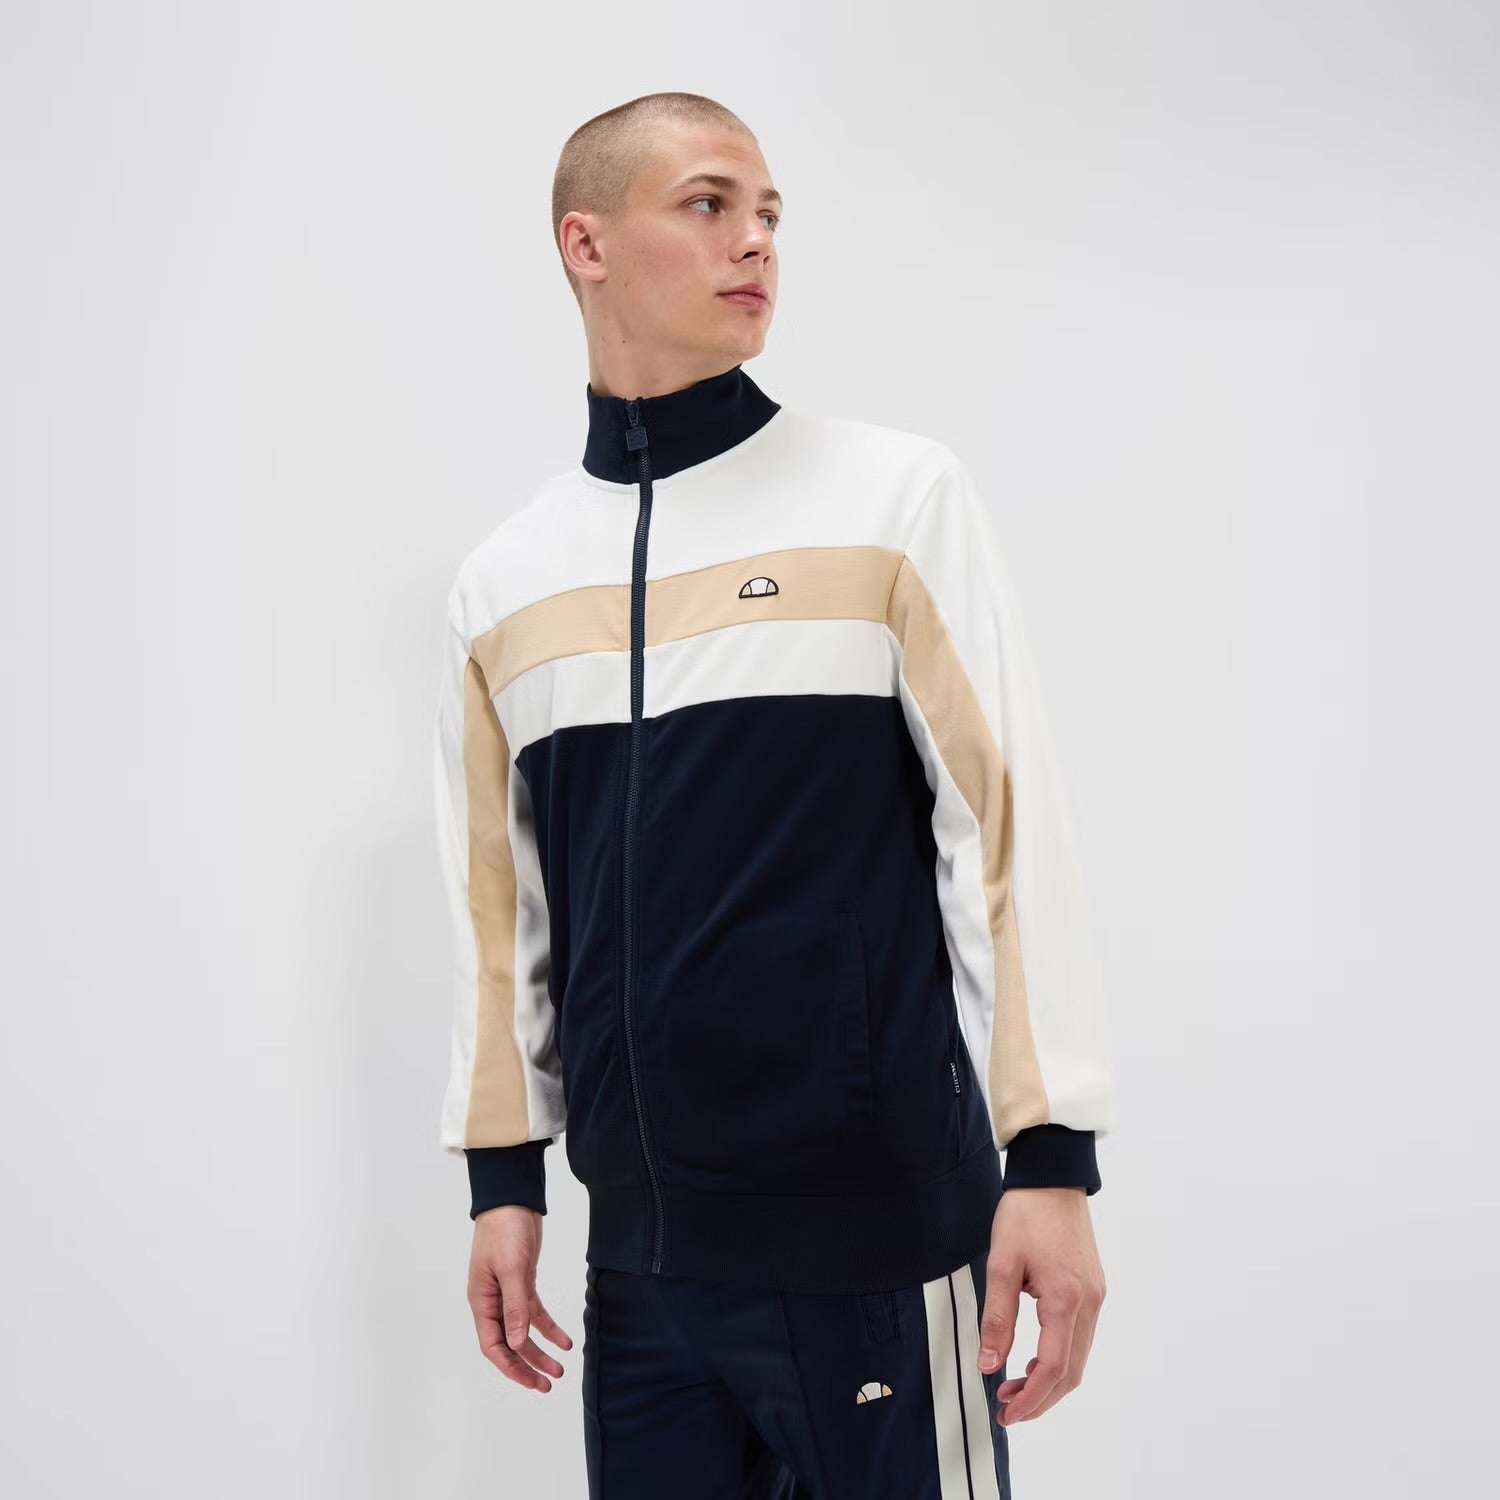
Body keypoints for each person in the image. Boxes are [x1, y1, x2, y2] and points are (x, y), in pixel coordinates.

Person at [433, 90, 1115, 1499]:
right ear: (586, 244)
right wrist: (505, 1180)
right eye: (708, 204)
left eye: (769, 214)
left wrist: (1049, 1158)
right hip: (642, 1278)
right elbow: (500, 916)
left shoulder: (891, 500)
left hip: (880, 1249)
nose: (755, 241)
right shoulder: (507, 584)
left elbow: (1003, 831)